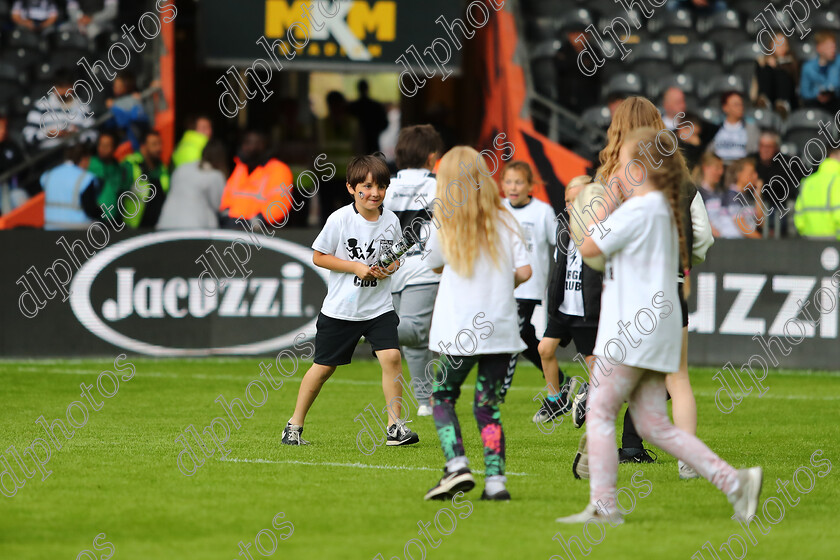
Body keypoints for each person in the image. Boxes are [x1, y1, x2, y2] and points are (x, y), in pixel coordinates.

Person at [556, 125, 762, 525]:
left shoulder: (641, 208)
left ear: (643, 168)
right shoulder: (662, 208)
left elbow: (589, 247)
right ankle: (736, 482)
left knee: (598, 410)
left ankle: (604, 507)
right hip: (656, 326)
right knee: (651, 423)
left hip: (635, 327)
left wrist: (603, 201)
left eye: (626, 162)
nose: (618, 169)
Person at [281, 155, 419, 448]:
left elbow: (395, 258)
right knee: (323, 368)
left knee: (392, 357)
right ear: (350, 187)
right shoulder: (340, 219)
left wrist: (389, 267)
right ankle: (294, 425)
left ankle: (395, 426)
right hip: (342, 310)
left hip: (378, 307)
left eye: (381, 186)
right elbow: (319, 256)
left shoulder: (391, 219)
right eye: (366, 186)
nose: (374, 193)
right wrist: (356, 267)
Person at [423, 146, 532, 502]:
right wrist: (502, 282)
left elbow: (435, 264)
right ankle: (497, 482)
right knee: (488, 406)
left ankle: (456, 466)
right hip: (500, 328)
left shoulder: (445, 219)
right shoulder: (505, 218)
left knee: (442, 396)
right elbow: (524, 272)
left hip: (460, 332)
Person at [382, 125, 444, 416]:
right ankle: (360, 329)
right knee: (416, 332)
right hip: (426, 268)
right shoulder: (440, 184)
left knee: (415, 339)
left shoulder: (386, 186)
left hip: (393, 267)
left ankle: (425, 400)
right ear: (432, 156)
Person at [533, 175, 598, 429]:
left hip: (585, 309)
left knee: (594, 362)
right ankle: (556, 398)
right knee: (544, 349)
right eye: (567, 201)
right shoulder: (564, 228)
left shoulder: (599, 228)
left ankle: (591, 398)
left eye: (577, 199)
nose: (571, 205)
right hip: (564, 305)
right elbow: (560, 266)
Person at [497, 161, 560, 409]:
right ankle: (558, 380)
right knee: (525, 335)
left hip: (530, 285)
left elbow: (558, 244)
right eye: (509, 182)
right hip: (503, 285)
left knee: (516, 333)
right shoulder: (498, 210)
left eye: (519, 182)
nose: (514, 187)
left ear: (530, 185)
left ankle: (499, 390)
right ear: (502, 185)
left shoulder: (542, 211)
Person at [218, 130, 295, 228]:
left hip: (262, 232)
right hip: (234, 228)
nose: (246, 147)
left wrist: (255, 222)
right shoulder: (241, 168)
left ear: (263, 145)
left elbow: (279, 204)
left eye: (251, 143)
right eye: (245, 143)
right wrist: (227, 218)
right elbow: (227, 197)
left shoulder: (278, 169)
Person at [157, 140, 228, 230]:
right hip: (194, 228)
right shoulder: (216, 176)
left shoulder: (182, 168)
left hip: (166, 223)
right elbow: (218, 205)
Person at [24, 71, 98, 150]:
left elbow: (93, 136)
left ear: (72, 87)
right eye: (59, 86)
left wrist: (76, 135)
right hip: (48, 156)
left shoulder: (83, 107)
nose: (62, 91)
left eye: (65, 86)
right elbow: (28, 137)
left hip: (75, 153)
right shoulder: (40, 107)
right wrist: (46, 133)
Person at [41, 144, 102, 230]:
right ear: (84, 159)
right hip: (78, 227)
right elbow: (90, 209)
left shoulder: (48, 175)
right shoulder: (85, 178)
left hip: (50, 226)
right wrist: (102, 211)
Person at [120, 130, 170, 228]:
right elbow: (117, 193)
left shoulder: (163, 169)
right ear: (143, 147)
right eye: (154, 144)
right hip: (132, 227)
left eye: (160, 144)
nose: (159, 148)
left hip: (157, 228)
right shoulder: (131, 164)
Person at [750, 131, 793, 237]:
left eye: (769, 146)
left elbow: (789, 189)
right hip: (751, 203)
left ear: (776, 148)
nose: (765, 150)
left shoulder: (786, 163)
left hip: (778, 206)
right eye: (762, 146)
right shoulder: (751, 161)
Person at [794, 146, 840, 239]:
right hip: (834, 244)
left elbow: (798, 217)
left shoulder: (807, 181)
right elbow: (838, 215)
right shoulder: (837, 180)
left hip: (809, 243)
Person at [752, 33, 798, 118]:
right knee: (767, 69)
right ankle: (764, 101)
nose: (780, 47)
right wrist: (766, 62)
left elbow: (795, 78)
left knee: (782, 73)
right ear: (771, 45)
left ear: (787, 47)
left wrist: (778, 64)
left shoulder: (792, 61)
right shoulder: (765, 62)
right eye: (777, 43)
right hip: (771, 95)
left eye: (783, 44)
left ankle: (782, 104)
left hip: (787, 97)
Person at [719, 157, 764, 239]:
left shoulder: (748, 196)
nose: (756, 176)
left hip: (745, 245)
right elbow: (742, 227)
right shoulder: (731, 195)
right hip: (731, 245)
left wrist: (758, 197)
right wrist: (762, 240)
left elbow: (761, 223)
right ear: (739, 175)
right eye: (751, 173)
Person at [708, 92, 759, 163]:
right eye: (736, 105)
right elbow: (709, 151)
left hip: (741, 168)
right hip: (719, 167)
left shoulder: (751, 128)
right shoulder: (715, 127)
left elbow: (753, 152)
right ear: (725, 107)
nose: (741, 107)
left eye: (741, 104)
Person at [106, 71, 149, 151]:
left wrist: (114, 108)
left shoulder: (134, 99)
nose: (115, 88)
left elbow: (129, 119)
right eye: (114, 86)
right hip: (124, 143)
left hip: (136, 141)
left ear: (126, 86)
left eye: (118, 86)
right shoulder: (114, 102)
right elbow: (109, 124)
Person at [800, 31, 840, 113]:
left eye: (834, 47)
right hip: (815, 104)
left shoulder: (838, 62)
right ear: (819, 48)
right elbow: (804, 92)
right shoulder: (808, 67)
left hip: (835, 102)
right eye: (829, 47)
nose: (833, 50)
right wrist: (817, 95)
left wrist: (830, 92)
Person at [347, 79, 389, 155]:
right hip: (372, 143)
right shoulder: (376, 106)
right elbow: (385, 124)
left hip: (360, 145)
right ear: (367, 89)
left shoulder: (353, 107)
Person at [88, 131, 122, 221]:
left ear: (114, 148)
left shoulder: (119, 168)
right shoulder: (90, 164)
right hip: (94, 220)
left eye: (107, 146)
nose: (103, 149)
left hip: (113, 218)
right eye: (100, 145)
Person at [0, 114, 28, 211]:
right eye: (0, 127)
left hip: (15, 186)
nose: (3, 130)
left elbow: (22, 165)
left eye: (4, 127)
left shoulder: (11, 145)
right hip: (3, 190)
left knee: (18, 195)